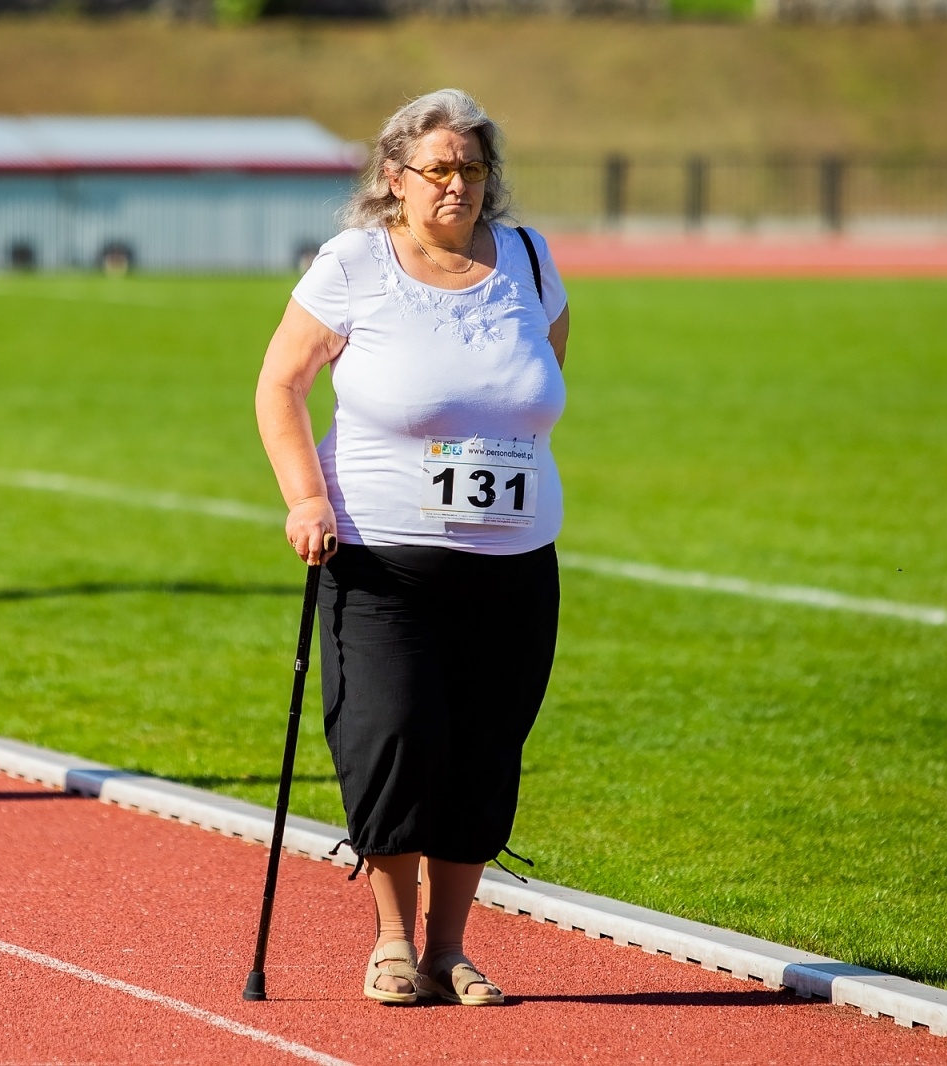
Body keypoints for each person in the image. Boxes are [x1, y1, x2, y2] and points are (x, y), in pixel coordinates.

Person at [256, 89, 570, 1006]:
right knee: (394, 738)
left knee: (483, 750)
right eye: (438, 169)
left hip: (515, 564)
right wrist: (305, 498)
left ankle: (451, 949)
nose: (458, 185)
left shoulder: (528, 258)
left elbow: (544, 370)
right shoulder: (354, 263)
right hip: (380, 558)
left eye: (473, 169)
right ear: (395, 179)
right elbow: (281, 385)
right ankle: (392, 942)